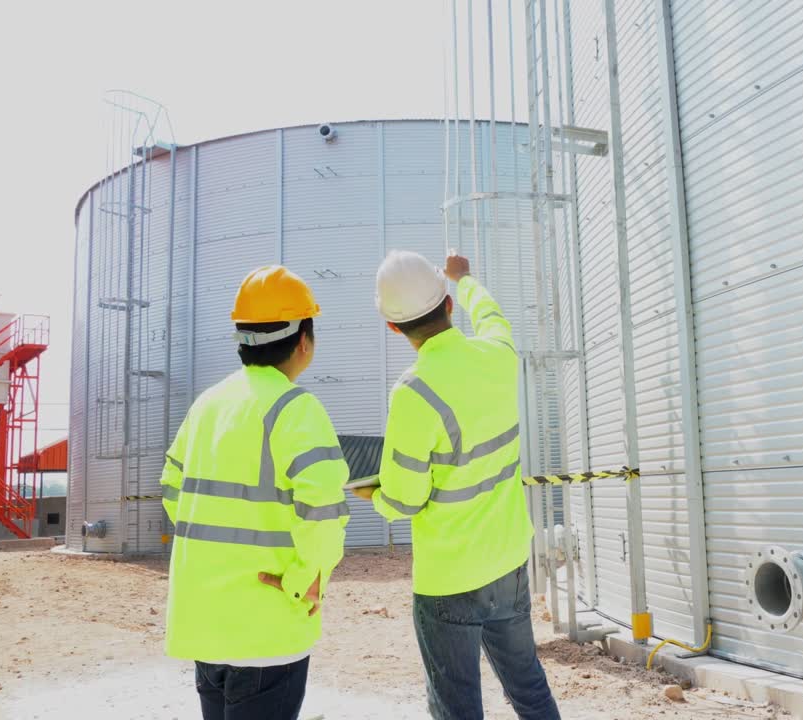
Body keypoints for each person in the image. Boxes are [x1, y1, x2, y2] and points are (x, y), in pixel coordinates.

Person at [355, 251, 559, 720]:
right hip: (507, 559)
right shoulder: (498, 355)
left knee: (456, 706)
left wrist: (377, 497)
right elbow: (492, 317)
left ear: (393, 328)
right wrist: (465, 279)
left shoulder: (413, 391)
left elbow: (404, 499)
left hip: (448, 577)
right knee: (528, 684)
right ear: (447, 304)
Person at [159, 265, 351, 720]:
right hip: (266, 630)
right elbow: (323, 511)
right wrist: (305, 577)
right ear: (304, 341)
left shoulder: (207, 405)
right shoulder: (295, 408)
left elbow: (171, 488)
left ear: (240, 339)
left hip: (203, 623)